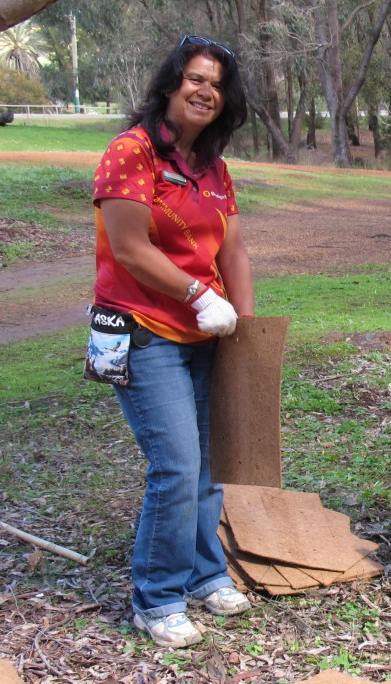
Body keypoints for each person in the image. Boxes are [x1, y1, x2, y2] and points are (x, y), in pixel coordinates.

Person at [91, 35, 255, 648]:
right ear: (168, 85)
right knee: (177, 467)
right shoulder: (129, 152)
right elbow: (131, 248)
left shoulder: (212, 167)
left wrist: (245, 323)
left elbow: (233, 249)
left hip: (207, 334)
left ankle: (205, 573)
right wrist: (197, 296)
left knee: (209, 465)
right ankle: (155, 597)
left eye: (215, 84)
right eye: (193, 78)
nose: (204, 90)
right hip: (140, 331)